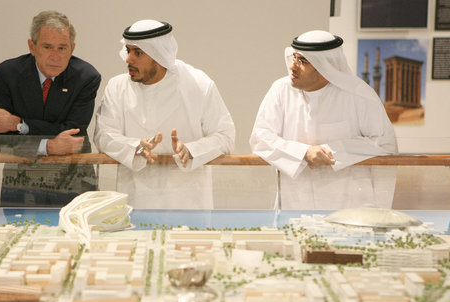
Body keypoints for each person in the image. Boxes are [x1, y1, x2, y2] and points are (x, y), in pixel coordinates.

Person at [94, 20, 235, 209]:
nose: (128, 60)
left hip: (188, 202)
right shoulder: (117, 87)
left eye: (138, 53)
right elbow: (103, 135)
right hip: (135, 199)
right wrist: (134, 147)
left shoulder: (198, 84)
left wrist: (192, 150)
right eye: (128, 51)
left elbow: (225, 136)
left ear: (158, 55)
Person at [250, 30, 398, 210]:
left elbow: (385, 143)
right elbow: (260, 138)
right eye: (294, 58)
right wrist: (303, 152)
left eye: (302, 61)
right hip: (296, 201)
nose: (293, 66)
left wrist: (331, 152)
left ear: (324, 68)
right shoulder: (281, 90)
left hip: (348, 204)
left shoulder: (358, 94)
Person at [0, 10, 101, 207]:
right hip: (21, 181)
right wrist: (47, 146)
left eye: (62, 48)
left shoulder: (86, 77)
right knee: (19, 236)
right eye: (47, 47)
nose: (55, 56)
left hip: (72, 181)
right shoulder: (7, 74)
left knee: (74, 238)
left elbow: (73, 133)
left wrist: (18, 124)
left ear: (72, 49)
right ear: (32, 46)